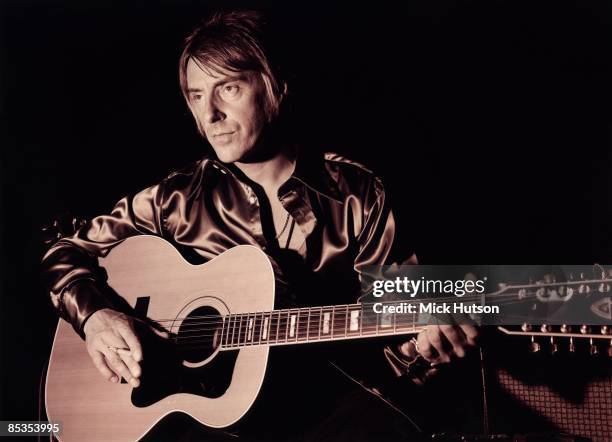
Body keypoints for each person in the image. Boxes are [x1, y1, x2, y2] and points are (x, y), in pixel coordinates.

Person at [41, 10, 478, 440]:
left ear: (276, 87)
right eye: (196, 96)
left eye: (227, 88)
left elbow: (390, 357)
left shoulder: (358, 196)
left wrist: (419, 352)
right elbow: (64, 251)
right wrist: (96, 316)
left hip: (326, 420)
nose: (209, 115)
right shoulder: (175, 199)